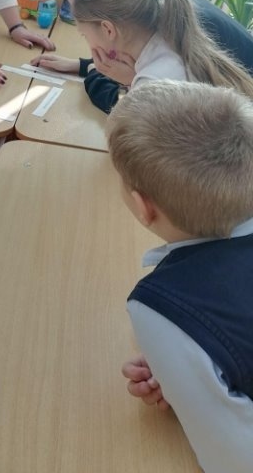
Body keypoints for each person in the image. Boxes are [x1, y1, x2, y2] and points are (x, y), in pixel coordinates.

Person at [107, 80, 253, 472]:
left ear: (142, 207)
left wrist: (187, 380)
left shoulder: (161, 307)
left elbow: (232, 460)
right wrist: (193, 370)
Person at [32, 0, 253, 111]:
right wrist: (85, 65)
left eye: (83, 31)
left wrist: (121, 79)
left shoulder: (156, 81)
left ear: (108, 25)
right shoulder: (167, 3)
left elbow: (129, 118)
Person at [67, 0, 253, 97]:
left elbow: (124, 130)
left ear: (108, 30)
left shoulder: (152, 87)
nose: (88, 43)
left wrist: (131, 85)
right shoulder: (173, 28)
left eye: (84, 35)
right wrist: (133, 80)